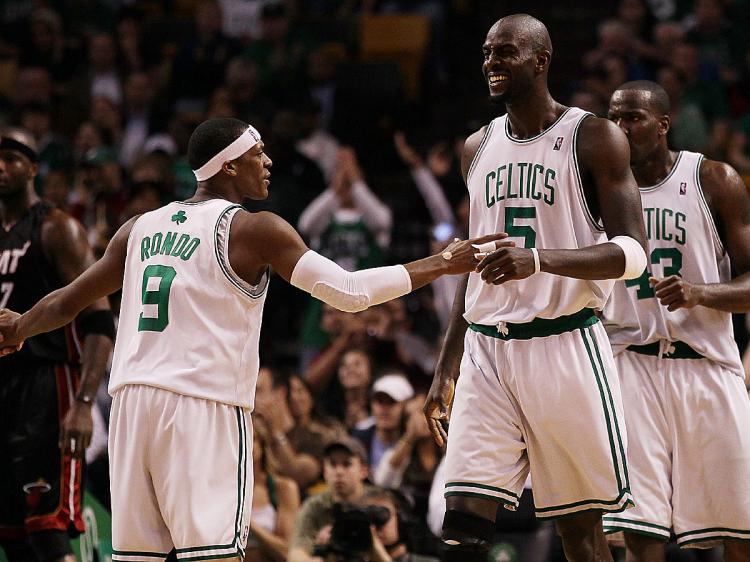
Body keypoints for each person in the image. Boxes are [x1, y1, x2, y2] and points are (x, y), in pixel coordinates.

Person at [0, 117, 506, 561]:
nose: (268, 162)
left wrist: (18, 327)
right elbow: (349, 292)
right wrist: (443, 262)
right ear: (228, 166)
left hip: (133, 406)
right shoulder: (253, 229)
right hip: (202, 407)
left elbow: (68, 301)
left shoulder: (138, 227)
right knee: (215, 555)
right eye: (257, 153)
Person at [423, 14, 649, 562]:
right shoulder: (475, 146)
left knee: (581, 534)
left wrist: (539, 260)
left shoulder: (594, 137)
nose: (491, 63)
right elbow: (472, 261)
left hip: (564, 343)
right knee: (462, 525)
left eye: (505, 52)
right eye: (486, 52)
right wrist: (446, 365)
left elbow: (634, 255)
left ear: (541, 61)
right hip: (487, 349)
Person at [601, 81, 750, 560]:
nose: (621, 128)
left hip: (707, 365)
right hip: (631, 365)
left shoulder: (713, 179)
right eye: (614, 118)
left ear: (663, 124)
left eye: (633, 118)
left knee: (741, 525)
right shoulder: (596, 190)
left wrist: (699, 293)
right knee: (640, 530)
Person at [0, 128, 115, 561]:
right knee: (11, 535)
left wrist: (84, 404)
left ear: (33, 167)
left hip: (47, 387)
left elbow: (100, 319)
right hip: (4, 386)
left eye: (11, 158)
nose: (0, 167)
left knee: (47, 530)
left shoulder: (57, 228)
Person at [287, 437, 372, 562]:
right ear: (325, 471)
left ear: (363, 471)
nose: (339, 472)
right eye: (332, 464)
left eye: (347, 464)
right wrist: (319, 551)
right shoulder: (315, 505)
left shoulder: (378, 502)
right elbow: (296, 553)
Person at [245, 415, 300, 562]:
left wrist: (248, 522)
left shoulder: (283, 488)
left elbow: (287, 552)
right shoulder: (222, 490)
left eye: (253, 438)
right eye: (243, 438)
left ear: (262, 446)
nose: (247, 445)